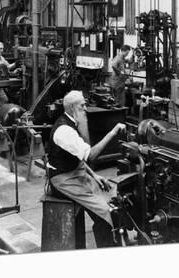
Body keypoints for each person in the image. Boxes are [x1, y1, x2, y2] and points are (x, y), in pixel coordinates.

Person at [46, 90, 126, 248]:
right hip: (62, 180)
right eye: (82, 106)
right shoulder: (64, 131)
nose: (85, 109)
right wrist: (113, 132)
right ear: (72, 108)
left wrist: (95, 176)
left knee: (111, 201)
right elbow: (90, 156)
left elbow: (79, 159)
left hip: (76, 172)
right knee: (105, 213)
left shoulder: (72, 124)